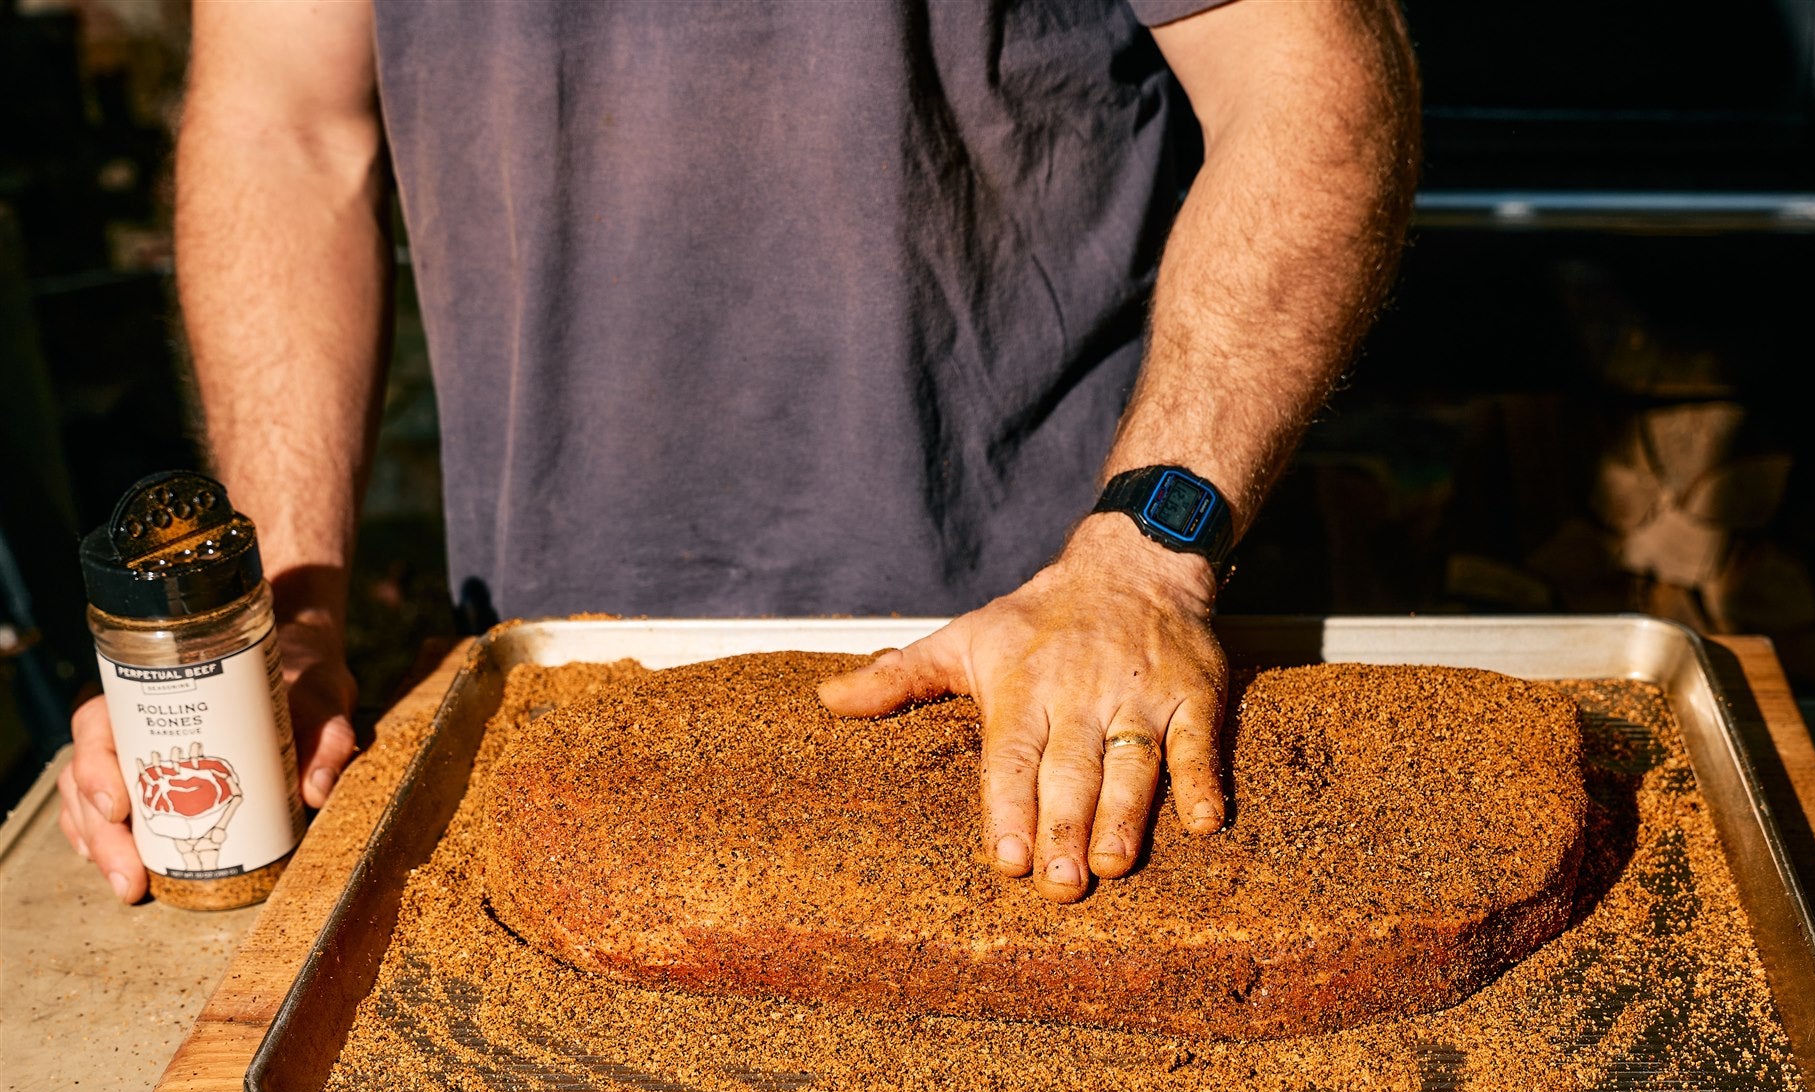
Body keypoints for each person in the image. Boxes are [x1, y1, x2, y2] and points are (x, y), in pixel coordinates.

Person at [58, 0, 1418, 906]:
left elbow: (1314, 84)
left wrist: (1147, 553)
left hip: (1044, 690)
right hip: (559, 712)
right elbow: (284, 127)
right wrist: (274, 623)